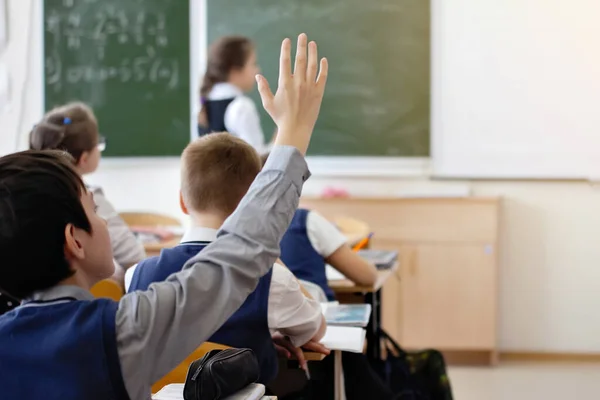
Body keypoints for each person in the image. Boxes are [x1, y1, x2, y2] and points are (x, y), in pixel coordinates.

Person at [0, 33, 329, 399]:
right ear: (73, 241)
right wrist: (293, 133)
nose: (106, 221)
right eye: (94, 212)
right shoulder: (120, 333)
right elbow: (237, 256)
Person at [127, 133, 327, 385]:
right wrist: (267, 254)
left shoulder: (135, 274)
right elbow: (315, 329)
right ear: (250, 203)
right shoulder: (270, 278)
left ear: (182, 201)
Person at [28, 103, 146, 287]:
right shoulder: (91, 200)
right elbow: (136, 260)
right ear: (83, 159)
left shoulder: (21, 198)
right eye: (98, 144)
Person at [198, 35, 273, 154]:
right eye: (253, 64)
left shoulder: (203, 106)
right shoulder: (241, 107)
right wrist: (283, 133)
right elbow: (258, 160)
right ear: (234, 70)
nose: (257, 70)